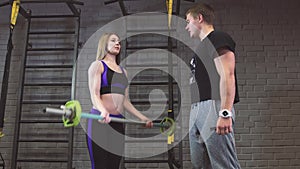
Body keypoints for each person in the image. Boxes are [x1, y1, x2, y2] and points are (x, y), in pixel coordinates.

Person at [185, 3, 241, 169]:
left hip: (213, 106)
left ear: (199, 18)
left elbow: (227, 75)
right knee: (200, 164)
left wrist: (225, 113)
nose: (187, 27)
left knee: (223, 165)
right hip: (197, 108)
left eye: (188, 21)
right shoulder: (201, 46)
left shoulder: (218, 38)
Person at [86, 33, 153, 169]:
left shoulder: (124, 72)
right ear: (104, 44)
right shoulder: (98, 66)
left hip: (118, 123)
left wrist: (142, 117)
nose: (118, 43)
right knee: (100, 165)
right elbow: (94, 94)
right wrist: (103, 111)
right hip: (99, 122)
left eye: (119, 42)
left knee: (114, 165)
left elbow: (125, 101)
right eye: (113, 41)